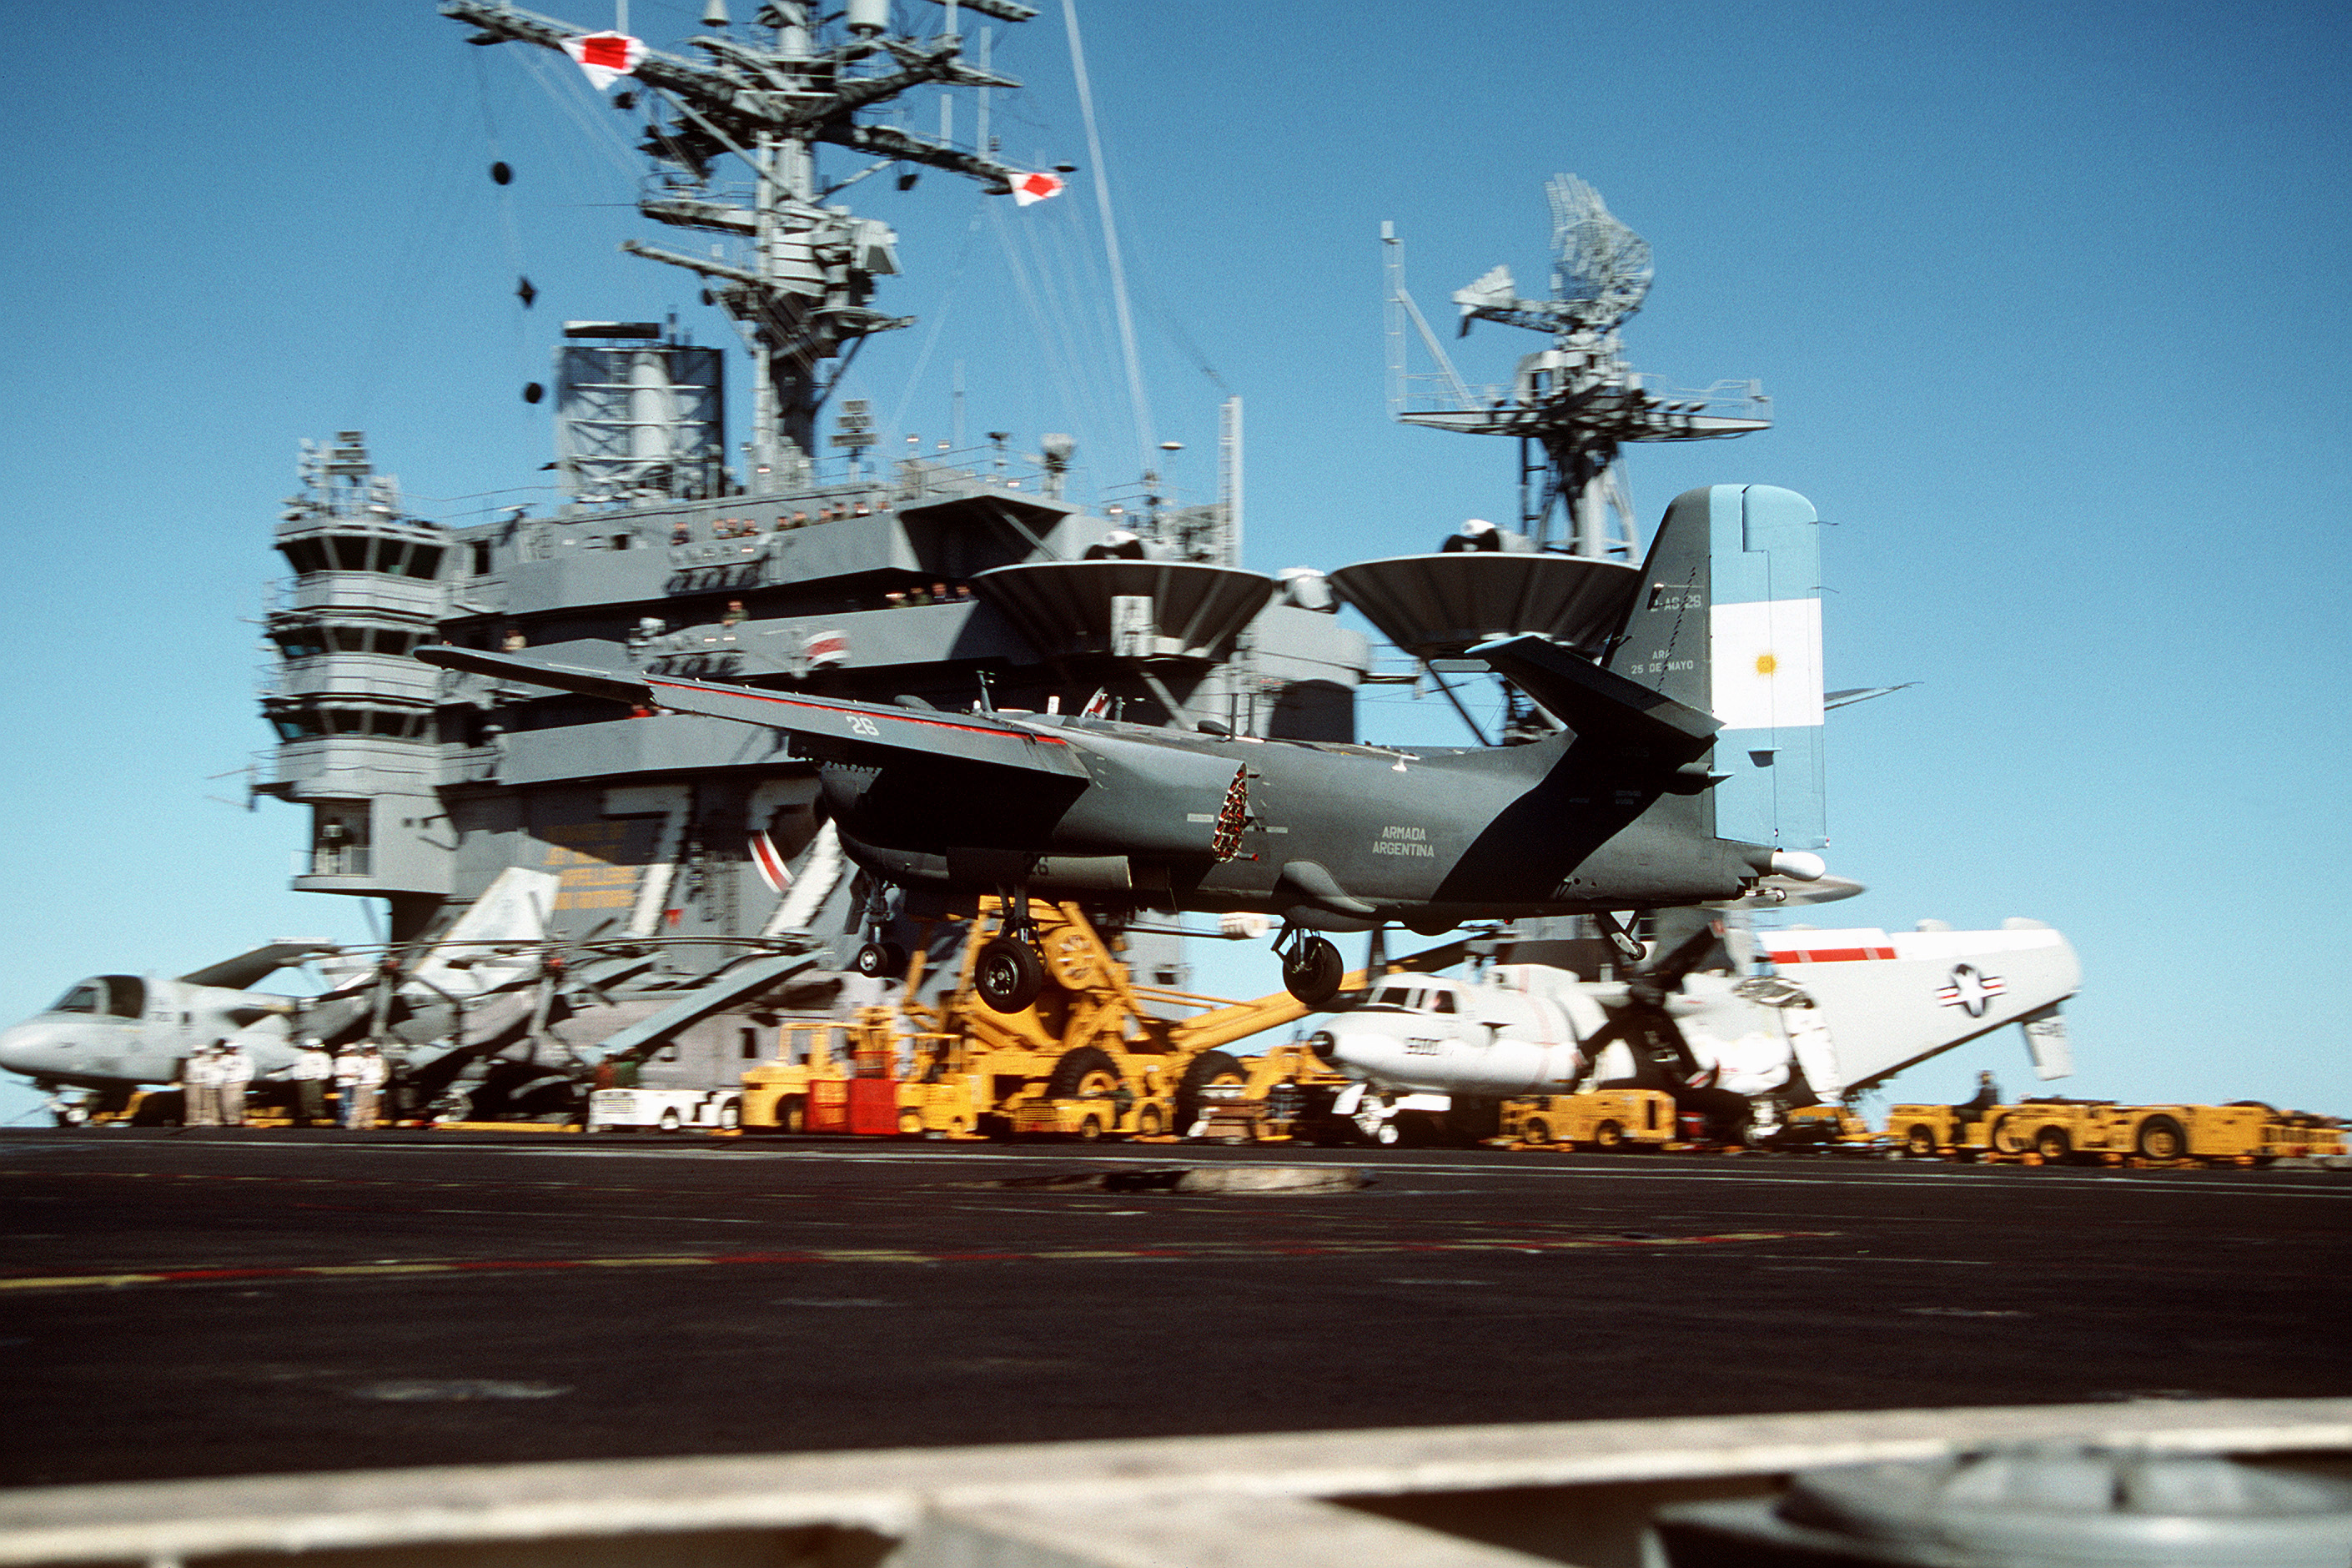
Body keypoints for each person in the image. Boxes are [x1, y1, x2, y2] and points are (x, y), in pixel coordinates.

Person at [291, 1038, 334, 1127]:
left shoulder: (323, 1056)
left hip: (316, 1080)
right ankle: (305, 1117)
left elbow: (326, 1068)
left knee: (316, 1099)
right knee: (305, 1100)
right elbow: (296, 1068)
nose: (313, 1049)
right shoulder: (301, 1057)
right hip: (303, 1080)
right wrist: (298, 1077)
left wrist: (322, 1077)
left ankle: (318, 1117)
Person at [217, 1041, 254, 1126]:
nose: (233, 1050)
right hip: (226, 1082)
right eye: (231, 1048)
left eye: (235, 1048)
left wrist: (246, 1080)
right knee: (227, 1103)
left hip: (239, 1081)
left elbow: (250, 1069)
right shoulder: (223, 1059)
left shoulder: (245, 1058)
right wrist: (221, 1081)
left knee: (237, 1101)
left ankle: (239, 1118)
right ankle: (230, 1120)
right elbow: (219, 1070)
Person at [352, 1045, 389, 1130]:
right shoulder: (361, 1060)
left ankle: (369, 1123)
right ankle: (355, 1124)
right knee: (359, 1106)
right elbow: (357, 1072)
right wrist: (358, 1084)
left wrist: (380, 1083)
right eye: (366, 1050)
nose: (368, 1052)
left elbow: (386, 1073)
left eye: (370, 1050)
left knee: (373, 1106)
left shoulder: (380, 1060)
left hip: (375, 1085)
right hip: (362, 1086)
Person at [181, 1047, 219, 1128]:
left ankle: (206, 1118)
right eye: (198, 1051)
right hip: (193, 1083)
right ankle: (193, 1119)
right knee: (192, 1102)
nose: (200, 1053)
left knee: (206, 1102)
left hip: (205, 1082)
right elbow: (188, 1072)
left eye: (201, 1051)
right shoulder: (191, 1061)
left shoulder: (208, 1061)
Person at [334, 1046, 364, 1128]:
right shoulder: (340, 1060)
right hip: (343, 1084)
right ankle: (343, 1121)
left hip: (355, 1084)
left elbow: (361, 1072)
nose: (349, 1053)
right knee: (343, 1103)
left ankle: (355, 1121)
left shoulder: (359, 1059)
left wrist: (351, 1074)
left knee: (355, 1104)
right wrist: (349, 1074)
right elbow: (336, 1072)